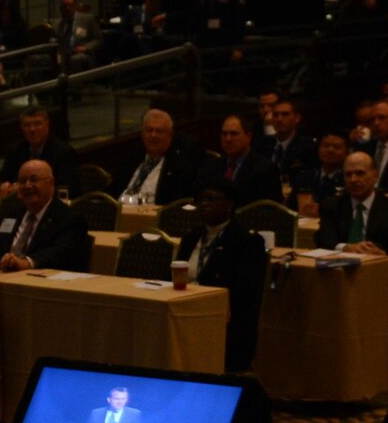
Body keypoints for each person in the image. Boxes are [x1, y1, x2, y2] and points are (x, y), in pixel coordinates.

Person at [317, 152, 388, 327]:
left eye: (360, 173)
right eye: (348, 174)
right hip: (337, 283)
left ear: (375, 175)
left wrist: (385, 262)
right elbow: (323, 240)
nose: (353, 179)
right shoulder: (332, 206)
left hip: (385, 287)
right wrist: (346, 247)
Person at [178, 182, 268, 372]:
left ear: (229, 205)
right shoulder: (191, 237)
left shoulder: (247, 241)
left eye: (211, 199)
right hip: (182, 312)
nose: (203, 204)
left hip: (221, 321)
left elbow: (245, 295)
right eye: (200, 200)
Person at [0, 159, 89, 272]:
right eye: (22, 181)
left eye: (34, 180)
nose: (27, 185)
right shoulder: (11, 216)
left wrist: (26, 263)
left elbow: (60, 253)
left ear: (51, 183)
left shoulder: (69, 219)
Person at [109, 108, 206, 204]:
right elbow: (113, 190)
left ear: (170, 135)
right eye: (149, 130)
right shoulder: (132, 157)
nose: (153, 135)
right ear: (142, 133)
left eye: (159, 131)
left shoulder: (179, 167)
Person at [0, 105, 78, 200]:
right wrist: (5, 185)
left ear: (47, 124)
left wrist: (22, 188)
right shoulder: (15, 150)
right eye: (27, 125)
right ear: (21, 127)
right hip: (19, 206)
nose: (32, 130)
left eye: (37, 124)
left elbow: (64, 189)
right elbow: (3, 179)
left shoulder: (64, 152)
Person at [200, 113, 283, 206]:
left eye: (234, 134)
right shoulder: (211, 166)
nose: (228, 139)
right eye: (224, 134)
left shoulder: (265, 169)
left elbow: (270, 209)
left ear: (249, 136)